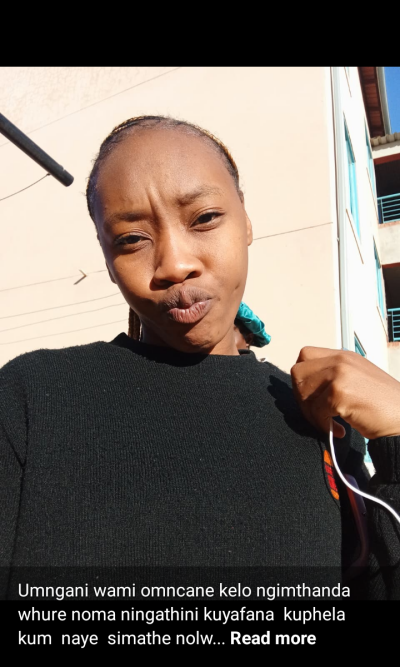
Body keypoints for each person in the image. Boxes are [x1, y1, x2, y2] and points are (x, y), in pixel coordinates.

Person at [1, 115, 400, 600]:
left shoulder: (320, 416)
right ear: (107, 260)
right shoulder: (32, 400)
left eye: (205, 218)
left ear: (246, 221)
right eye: (131, 240)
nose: (175, 264)